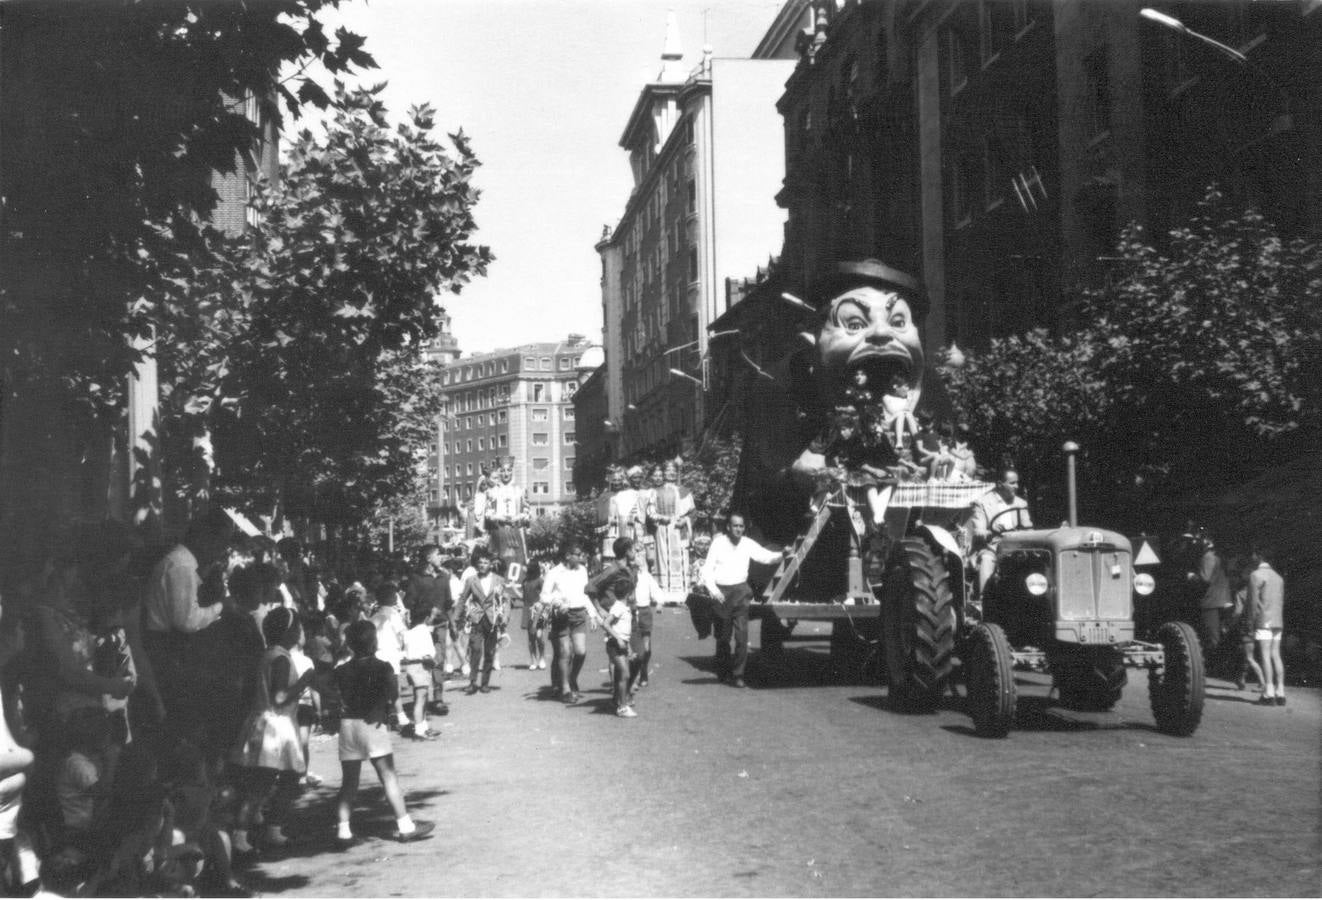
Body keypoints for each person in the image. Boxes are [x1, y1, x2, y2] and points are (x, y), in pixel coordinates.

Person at [332, 621, 434, 847]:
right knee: (388, 776)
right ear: (374, 642)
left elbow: (333, 693)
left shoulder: (341, 671)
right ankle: (405, 825)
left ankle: (343, 830)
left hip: (349, 725)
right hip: (375, 724)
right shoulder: (384, 667)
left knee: (349, 781)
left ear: (349, 644)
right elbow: (392, 693)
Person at [143, 508, 236, 738]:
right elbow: (187, 620)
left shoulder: (185, 563)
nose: (222, 550)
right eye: (220, 542)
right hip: (169, 650)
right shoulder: (181, 566)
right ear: (205, 537)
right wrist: (221, 606)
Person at [229, 607, 313, 857]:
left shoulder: (269, 654)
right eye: (297, 627)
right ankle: (240, 836)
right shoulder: (280, 659)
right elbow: (279, 696)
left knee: (284, 779)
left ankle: (272, 829)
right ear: (288, 631)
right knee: (263, 783)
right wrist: (304, 682)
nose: (300, 632)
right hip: (276, 727)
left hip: (270, 723)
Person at [699, 513, 786, 689]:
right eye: (735, 526)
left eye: (741, 526)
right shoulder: (718, 543)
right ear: (728, 527)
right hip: (722, 593)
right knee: (723, 637)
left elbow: (765, 556)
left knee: (741, 636)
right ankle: (724, 671)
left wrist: (782, 554)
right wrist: (715, 591)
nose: (738, 529)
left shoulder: (747, 544)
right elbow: (707, 570)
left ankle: (738, 674)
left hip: (741, 592)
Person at [542, 542, 602, 702]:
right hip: (561, 616)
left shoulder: (582, 570)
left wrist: (593, 614)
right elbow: (544, 596)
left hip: (579, 614)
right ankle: (565, 690)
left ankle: (571, 678)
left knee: (580, 652)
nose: (581, 557)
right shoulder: (554, 572)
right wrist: (557, 602)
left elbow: (585, 594)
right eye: (578, 554)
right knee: (564, 652)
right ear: (568, 555)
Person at [403, 544, 451, 713]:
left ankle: (438, 699)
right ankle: (421, 698)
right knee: (423, 662)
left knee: (438, 660)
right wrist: (426, 612)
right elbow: (409, 602)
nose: (441, 558)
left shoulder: (444, 577)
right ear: (429, 558)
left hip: (440, 625)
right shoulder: (416, 578)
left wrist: (452, 623)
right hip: (421, 627)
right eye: (438, 555)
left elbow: (448, 602)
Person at [970, 468, 1032, 595]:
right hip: (994, 545)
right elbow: (978, 530)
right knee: (987, 559)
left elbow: (1028, 528)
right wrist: (990, 530)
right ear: (999, 484)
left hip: (1018, 545)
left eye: (1017, 483)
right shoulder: (982, 503)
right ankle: (985, 599)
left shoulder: (1021, 503)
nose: (1016, 486)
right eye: (1012, 483)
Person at [458, 550, 508, 695]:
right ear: (476, 564)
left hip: (492, 619)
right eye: (480, 562)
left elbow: (505, 600)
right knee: (475, 649)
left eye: (486, 562)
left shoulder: (499, 580)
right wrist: (456, 617)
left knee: (489, 652)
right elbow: (462, 599)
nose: (482, 565)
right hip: (476, 618)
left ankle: (485, 682)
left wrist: (505, 616)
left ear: (491, 564)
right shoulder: (471, 580)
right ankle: (472, 682)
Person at [1249, 546, 1286, 706]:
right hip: (1278, 621)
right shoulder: (1279, 578)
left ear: (1259, 556)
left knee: (1264, 655)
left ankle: (1268, 692)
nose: (1252, 556)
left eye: (1254, 554)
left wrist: (1250, 622)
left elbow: (1252, 603)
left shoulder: (1255, 575)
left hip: (1264, 620)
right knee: (1275, 655)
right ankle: (1281, 691)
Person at [398, 602, 439, 740]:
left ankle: (423, 726)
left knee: (419, 697)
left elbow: (404, 651)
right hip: (421, 667)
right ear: (426, 618)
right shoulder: (425, 632)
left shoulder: (408, 633)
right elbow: (429, 652)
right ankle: (418, 731)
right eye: (432, 616)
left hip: (410, 667)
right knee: (421, 699)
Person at [1189, 534, 1232, 663]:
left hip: (1211, 601)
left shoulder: (1208, 557)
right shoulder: (1219, 557)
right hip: (1222, 600)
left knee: (1212, 637)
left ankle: (1215, 664)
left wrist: (1192, 577)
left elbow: (1205, 579)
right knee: (1220, 634)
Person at [484, 462, 530, 568]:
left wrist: (517, 517)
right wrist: (500, 517)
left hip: (516, 531)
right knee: (500, 561)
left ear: (512, 472)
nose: (506, 474)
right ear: (499, 472)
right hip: (499, 531)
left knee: (518, 561)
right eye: (503, 471)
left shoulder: (520, 490)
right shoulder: (492, 492)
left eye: (508, 470)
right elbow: (488, 513)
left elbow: (527, 512)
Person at [629, 552, 663, 692]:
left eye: (640, 562)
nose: (638, 564)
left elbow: (656, 590)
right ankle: (635, 676)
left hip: (644, 612)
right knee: (635, 649)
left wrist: (659, 602)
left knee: (646, 648)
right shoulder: (628, 577)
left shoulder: (646, 577)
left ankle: (643, 671)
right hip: (631, 612)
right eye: (635, 563)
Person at [520, 561, 548, 670]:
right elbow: (523, 598)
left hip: (538, 610)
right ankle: (533, 660)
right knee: (531, 638)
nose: (525, 568)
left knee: (539, 636)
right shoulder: (525, 582)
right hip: (527, 610)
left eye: (527, 566)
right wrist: (512, 589)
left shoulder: (540, 581)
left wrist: (541, 605)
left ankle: (542, 658)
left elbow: (545, 596)